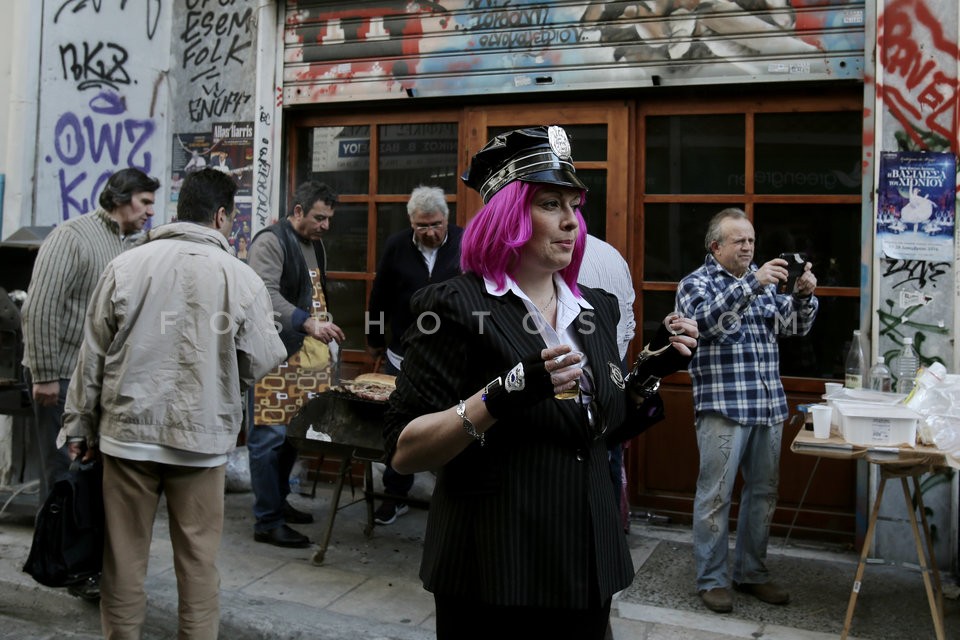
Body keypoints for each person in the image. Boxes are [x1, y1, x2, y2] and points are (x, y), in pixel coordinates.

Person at [383, 126, 698, 639]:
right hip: (493, 569)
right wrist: (498, 395)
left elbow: (601, 430)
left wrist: (645, 375)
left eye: (574, 205)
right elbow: (403, 449)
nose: (571, 221)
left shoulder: (596, 307)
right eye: (551, 204)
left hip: (586, 568)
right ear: (509, 215)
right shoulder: (452, 306)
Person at [60, 167, 287, 638]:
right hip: (201, 443)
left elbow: (92, 356)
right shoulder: (240, 278)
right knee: (199, 566)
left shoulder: (126, 266)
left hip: (127, 437)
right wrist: (224, 374)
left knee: (122, 563)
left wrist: (78, 426)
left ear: (179, 211)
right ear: (222, 216)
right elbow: (265, 356)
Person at [20, 167, 159, 602]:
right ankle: (60, 566)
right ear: (119, 199)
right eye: (144, 203)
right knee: (65, 476)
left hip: (95, 382)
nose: (150, 213)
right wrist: (43, 374)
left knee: (90, 477)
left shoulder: (128, 243)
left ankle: (81, 562)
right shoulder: (72, 236)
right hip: (60, 375)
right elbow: (41, 307)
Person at [675, 207, 818, 614]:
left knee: (763, 495)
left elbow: (794, 329)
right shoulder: (694, 283)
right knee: (716, 496)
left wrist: (804, 296)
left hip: (768, 404)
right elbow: (705, 326)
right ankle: (713, 580)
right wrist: (752, 284)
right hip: (723, 406)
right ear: (715, 246)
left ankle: (752, 573)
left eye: (751, 240)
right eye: (739, 240)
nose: (748, 247)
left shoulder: (766, 283)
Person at [247, 180, 346, 548]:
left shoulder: (315, 246)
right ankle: (266, 520)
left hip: (305, 358)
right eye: (319, 217)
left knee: (292, 436)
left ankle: (278, 503)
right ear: (298, 211)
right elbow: (264, 294)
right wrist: (307, 322)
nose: (325, 226)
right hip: (274, 355)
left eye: (329, 219)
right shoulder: (271, 241)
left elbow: (315, 291)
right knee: (268, 438)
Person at [366, 185, 463, 525]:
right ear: (412, 222)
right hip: (402, 355)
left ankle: (455, 499)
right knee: (400, 426)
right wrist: (374, 337)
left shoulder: (465, 244)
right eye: (422, 226)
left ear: (446, 219)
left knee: (455, 426)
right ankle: (394, 495)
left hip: (453, 359)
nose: (430, 232)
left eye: (435, 224)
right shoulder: (396, 246)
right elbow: (379, 297)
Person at [577, 234, 636, 526]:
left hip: (577, 371)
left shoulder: (548, 255)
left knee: (586, 459)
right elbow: (629, 324)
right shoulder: (611, 253)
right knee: (610, 455)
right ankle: (611, 532)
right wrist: (614, 362)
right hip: (613, 365)